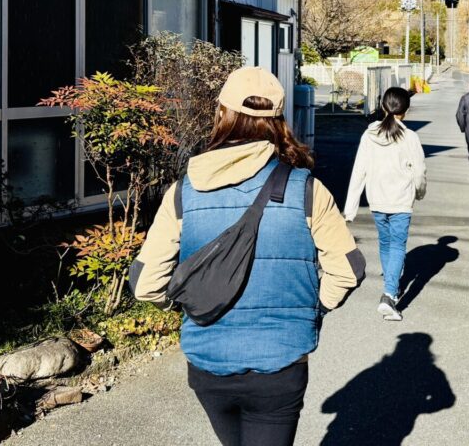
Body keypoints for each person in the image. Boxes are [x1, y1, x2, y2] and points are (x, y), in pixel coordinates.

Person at [131, 67, 365, 446]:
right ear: (278, 121)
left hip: (207, 363)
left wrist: (188, 304)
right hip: (282, 363)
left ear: (222, 114)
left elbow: (145, 285)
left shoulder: (183, 193)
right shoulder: (307, 189)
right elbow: (348, 271)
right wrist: (314, 309)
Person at [344, 87, 427, 322]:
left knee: (386, 242)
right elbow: (419, 171)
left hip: (377, 199)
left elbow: (359, 171)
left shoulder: (369, 135)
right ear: (406, 110)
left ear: (383, 107)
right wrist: (419, 193)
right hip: (401, 200)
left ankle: (391, 282)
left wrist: (350, 208)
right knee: (398, 245)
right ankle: (389, 294)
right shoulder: (410, 137)